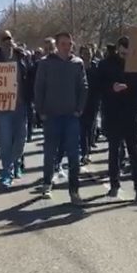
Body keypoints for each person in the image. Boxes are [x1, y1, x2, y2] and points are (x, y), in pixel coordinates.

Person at [98, 37, 137, 202]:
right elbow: (98, 86)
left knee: (135, 152)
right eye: (122, 51)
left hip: (132, 112)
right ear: (117, 49)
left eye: (128, 52)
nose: (125, 55)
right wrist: (112, 88)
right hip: (113, 112)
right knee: (114, 150)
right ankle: (114, 184)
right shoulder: (106, 64)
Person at [34, 32, 88, 204]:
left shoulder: (77, 63)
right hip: (51, 116)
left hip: (71, 117)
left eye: (70, 43)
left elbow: (83, 87)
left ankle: (74, 191)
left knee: (74, 155)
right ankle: (47, 183)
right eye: (64, 43)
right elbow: (39, 88)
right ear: (57, 45)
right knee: (50, 153)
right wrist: (41, 111)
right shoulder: (45, 64)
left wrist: (79, 109)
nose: (67, 46)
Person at [0, 33, 31, 188]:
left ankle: (17, 162)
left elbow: (30, 75)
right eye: (4, 41)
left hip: (20, 105)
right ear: (0, 44)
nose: (8, 44)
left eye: (10, 40)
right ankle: (6, 171)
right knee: (6, 140)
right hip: (2, 106)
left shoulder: (21, 57)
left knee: (21, 138)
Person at [79, 45, 101, 164]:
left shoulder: (96, 66)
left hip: (94, 101)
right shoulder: (77, 66)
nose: (87, 54)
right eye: (85, 52)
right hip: (81, 102)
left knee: (91, 128)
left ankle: (88, 150)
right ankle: (84, 152)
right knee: (82, 129)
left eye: (89, 52)